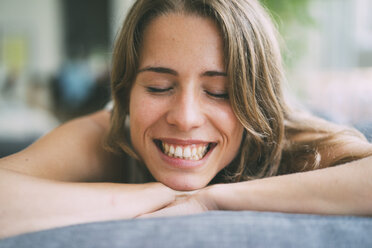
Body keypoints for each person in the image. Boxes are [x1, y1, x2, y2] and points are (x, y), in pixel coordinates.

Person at [1, 0, 372, 239]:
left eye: (219, 92)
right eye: (159, 86)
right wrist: (154, 195)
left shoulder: (292, 136)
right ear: (126, 93)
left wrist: (213, 200)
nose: (185, 117)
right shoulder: (108, 135)